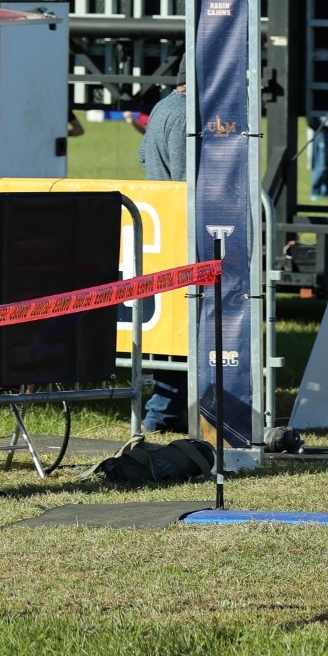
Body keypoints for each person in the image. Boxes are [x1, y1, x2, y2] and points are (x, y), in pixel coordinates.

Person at [137, 83, 189, 434]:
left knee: (172, 331)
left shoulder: (162, 107)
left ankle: (165, 411)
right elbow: (189, 178)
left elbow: (143, 156)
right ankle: (163, 413)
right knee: (185, 327)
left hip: (163, 222)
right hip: (182, 227)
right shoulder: (186, 114)